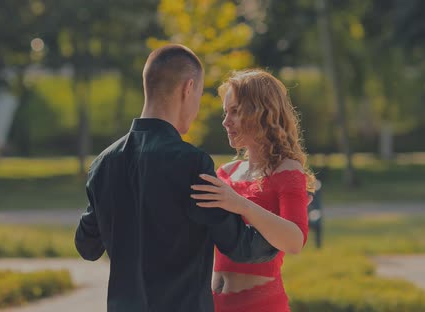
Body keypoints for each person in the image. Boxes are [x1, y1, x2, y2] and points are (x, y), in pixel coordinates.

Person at [74, 44, 278, 312]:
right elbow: (240, 245)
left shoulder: (103, 163)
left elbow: (87, 247)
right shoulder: (191, 163)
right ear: (188, 88)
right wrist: (282, 229)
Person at [191, 69, 315, 312]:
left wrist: (240, 204)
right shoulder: (225, 172)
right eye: (225, 113)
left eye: (235, 111)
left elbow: (294, 241)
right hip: (214, 304)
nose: (226, 121)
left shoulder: (287, 171)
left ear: (261, 112)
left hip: (262, 305)